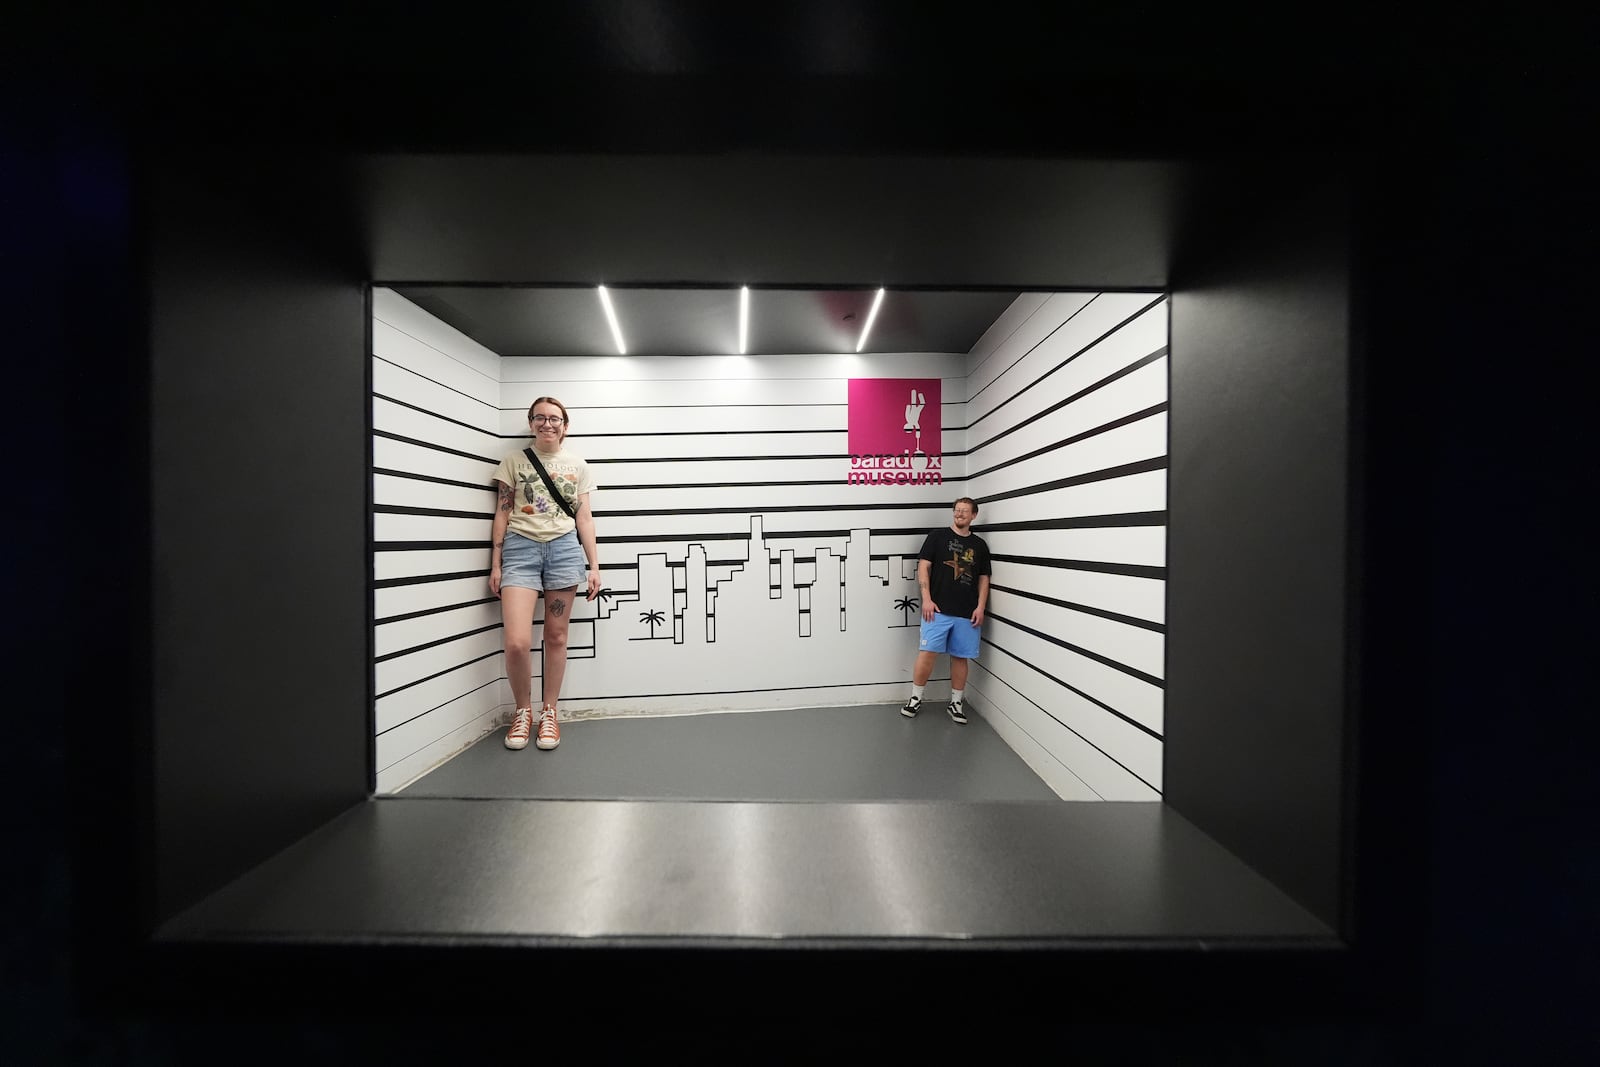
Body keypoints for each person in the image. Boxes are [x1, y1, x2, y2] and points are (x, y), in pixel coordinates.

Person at [489, 397, 602, 751]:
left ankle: (549, 710)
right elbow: (503, 511)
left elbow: (584, 518)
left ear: (565, 426)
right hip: (520, 550)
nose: (547, 424)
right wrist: (495, 561)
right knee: (517, 642)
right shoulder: (514, 461)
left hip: (564, 550)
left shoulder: (577, 464)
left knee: (556, 637)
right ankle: (523, 710)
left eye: (555, 419)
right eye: (540, 418)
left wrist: (595, 565)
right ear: (531, 422)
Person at [902, 497, 991, 725]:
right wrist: (927, 599)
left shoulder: (980, 546)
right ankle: (915, 698)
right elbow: (923, 567)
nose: (959, 514)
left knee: (961, 658)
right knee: (927, 653)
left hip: (967, 613)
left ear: (973, 515)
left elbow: (983, 578)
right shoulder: (937, 537)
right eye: (957, 510)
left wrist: (981, 607)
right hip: (937, 610)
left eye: (964, 511)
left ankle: (956, 703)